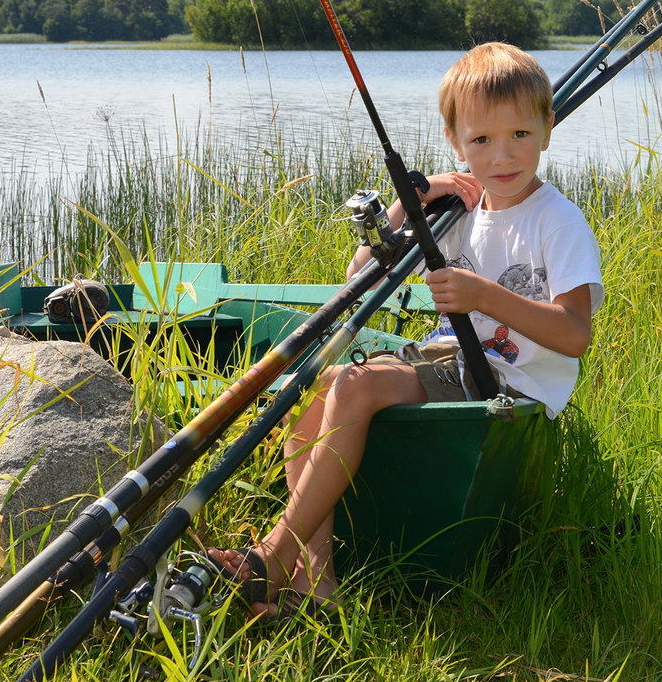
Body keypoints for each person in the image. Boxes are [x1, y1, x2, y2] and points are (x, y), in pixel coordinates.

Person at [209, 42, 604, 620]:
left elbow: (574, 335)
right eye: (481, 141)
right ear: (455, 142)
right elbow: (362, 277)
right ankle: (315, 589)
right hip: (452, 364)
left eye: (520, 134)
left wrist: (483, 296)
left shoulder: (558, 222)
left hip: (508, 383)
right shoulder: (457, 212)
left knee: (353, 385)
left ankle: (272, 555)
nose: (502, 156)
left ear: (547, 128)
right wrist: (405, 208)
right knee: (317, 394)